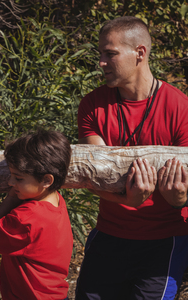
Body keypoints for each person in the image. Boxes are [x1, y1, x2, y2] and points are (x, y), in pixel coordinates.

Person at [76, 16, 188, 300]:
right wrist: (127, 200)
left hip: (163, 241)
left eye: (110, 53)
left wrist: (180, 199)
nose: (101, 62)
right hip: (109, 234)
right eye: (100, 53)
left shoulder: (180, 108)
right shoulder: (92, 105)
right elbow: (95, 176)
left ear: (140, 53)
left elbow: (184, 194)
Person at [0, 128, 74, 300]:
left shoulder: (26, 219)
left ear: (46, 180)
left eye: (18, 178)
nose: (10, 182)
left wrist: (9, 201)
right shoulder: (57, 200)